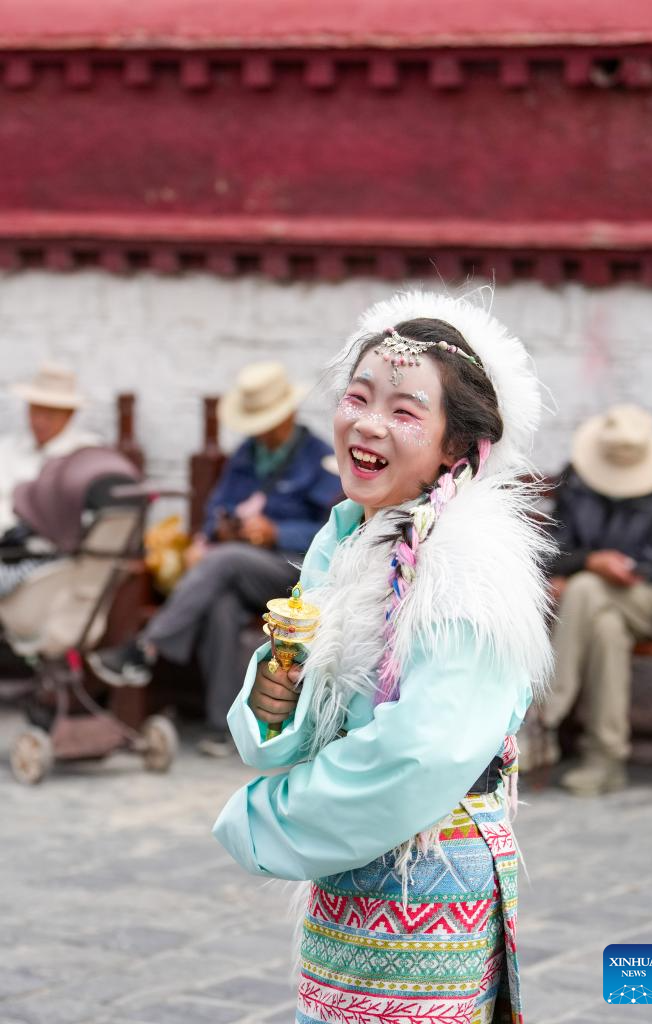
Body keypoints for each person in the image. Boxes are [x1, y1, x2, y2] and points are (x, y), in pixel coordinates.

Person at [212, 291, 552, 1023]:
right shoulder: (351, 537)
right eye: (358, 397)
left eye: (404, 410)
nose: (367, 424)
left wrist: (266, 818)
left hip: (424, 872)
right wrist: (277, 698)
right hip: (352, 873)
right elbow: (321, 709)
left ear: (456, 447)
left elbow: (421, 751)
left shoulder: (467, 567)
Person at [89, 362, 341, 757]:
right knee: (221, 604)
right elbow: (215, 510)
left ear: (288, 414)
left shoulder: (320, 459)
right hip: (237, 566)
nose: (262, 431)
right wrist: (218, 531)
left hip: (292, 571)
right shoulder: (245, 455)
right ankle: (224, 727)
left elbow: (332, 530)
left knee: (225, 561)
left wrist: (274, 532)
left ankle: (146, 647)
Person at [540, 404, 652, 797]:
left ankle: (544, 715)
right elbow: (553, 551)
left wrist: (619, 569)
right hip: (594, 606)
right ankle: (605, 759)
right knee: (605, 628)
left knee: (586, 590)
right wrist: (590, 563)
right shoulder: (577, 479)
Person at [0, 364, 99, 537]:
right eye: (35, 411)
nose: (39, 421)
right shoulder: (6, 449)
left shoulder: (89, 456)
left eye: (50, 414)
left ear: (69, 415)